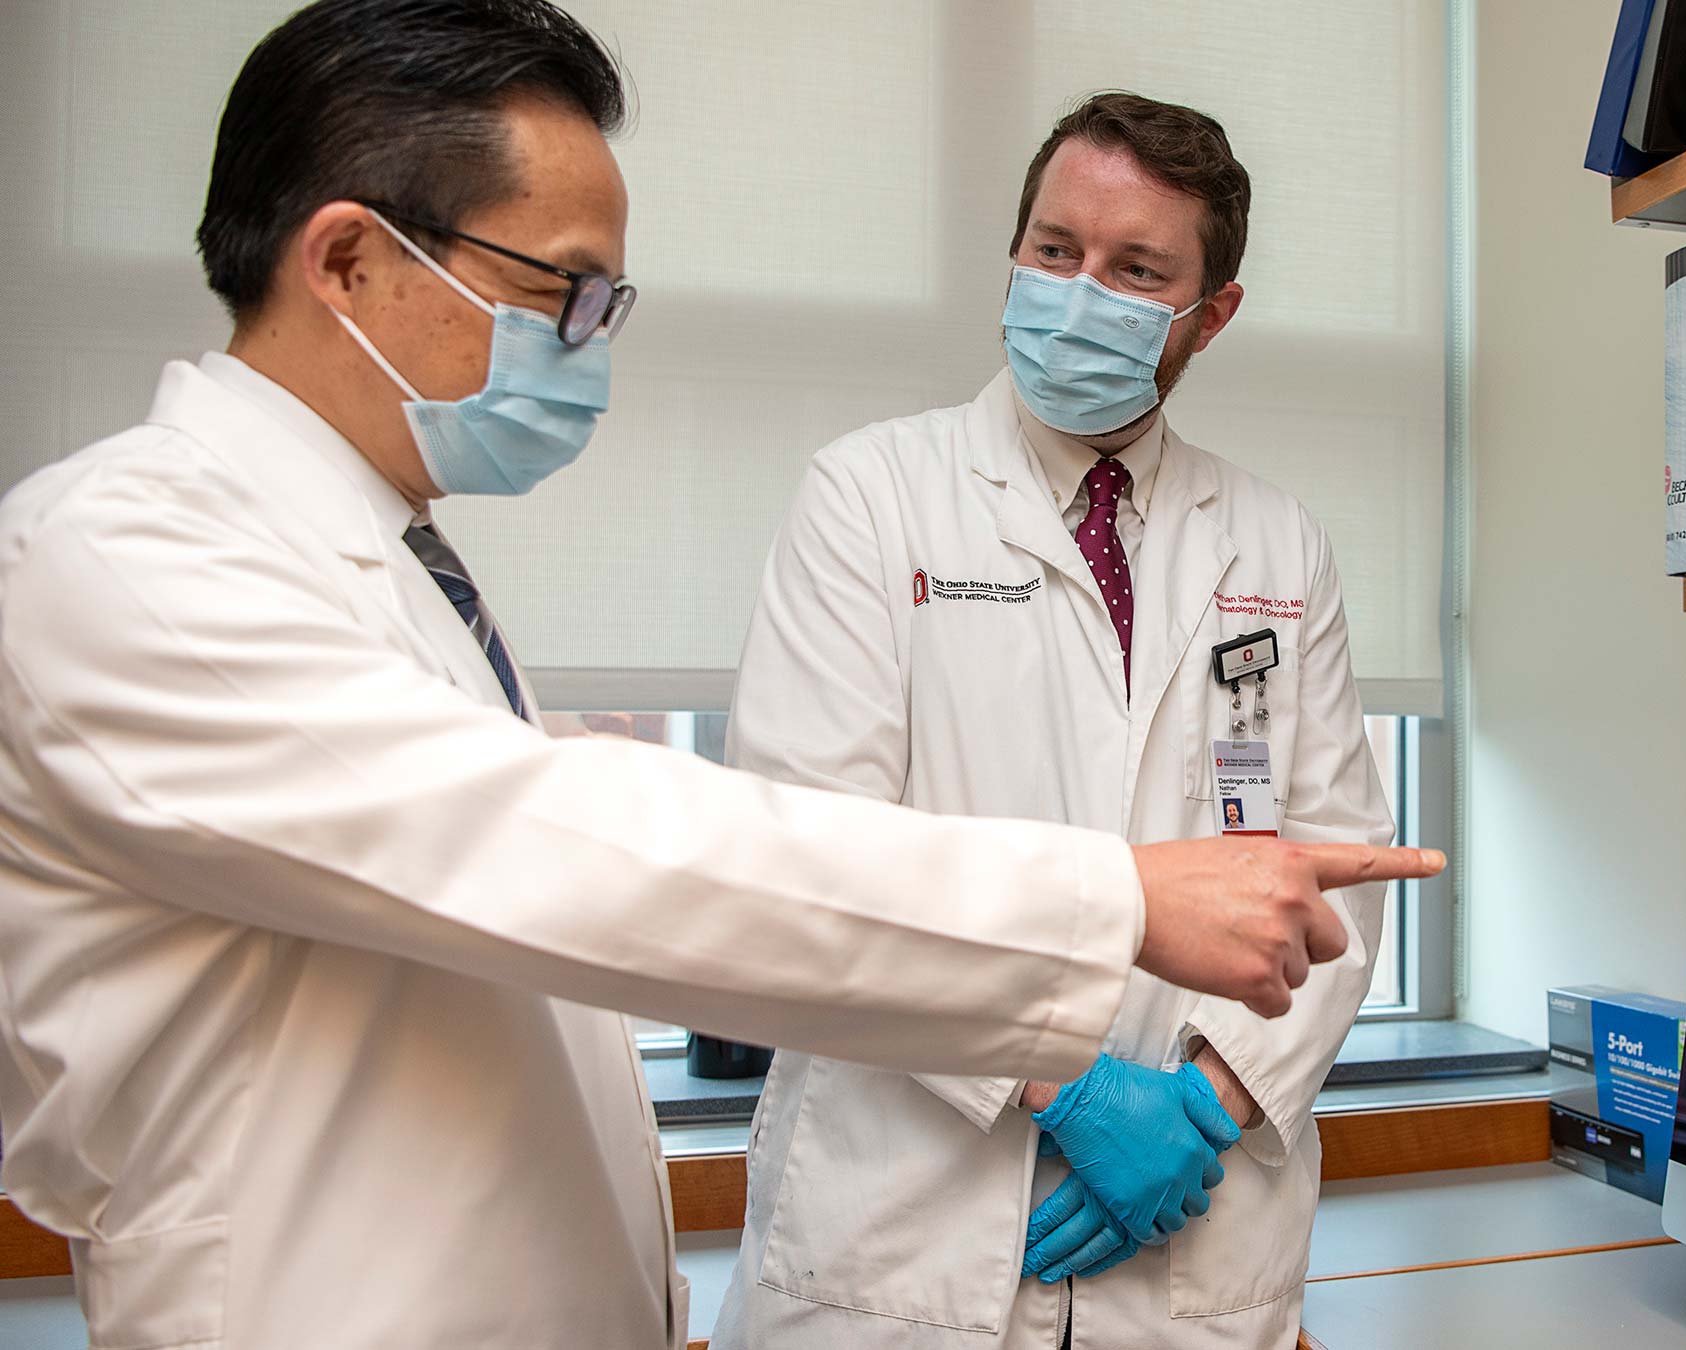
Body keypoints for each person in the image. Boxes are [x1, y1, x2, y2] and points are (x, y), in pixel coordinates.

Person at [0, 9, 1442, 1350]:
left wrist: (1207, 1093)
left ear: (1209, 310)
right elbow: (616, 857)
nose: (591, 341)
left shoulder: (377, 559)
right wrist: (1119, 904)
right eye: (562, 290)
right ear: (350, 262)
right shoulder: (127, 559)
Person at [712, 93, 1395, 1350]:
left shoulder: (1277, 542)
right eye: (1053, 250)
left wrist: (1207, 1106)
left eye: (1136, 270)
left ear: (1212, 313)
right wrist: (1065, 1083)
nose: (1079, 291)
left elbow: (1338, 871)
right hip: (903, 1238)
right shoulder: (873, 497)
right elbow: (813, 860)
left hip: (1193, 1233)